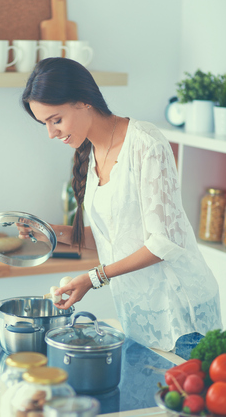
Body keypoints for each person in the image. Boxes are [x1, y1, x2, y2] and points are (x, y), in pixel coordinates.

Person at [19, 57, 222, 359]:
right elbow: (114, 238)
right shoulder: (89, 151)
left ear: (83, 102)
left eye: (56, 120)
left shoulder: (145, 143)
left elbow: (162, 242)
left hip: (180, 313)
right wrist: (51, 232)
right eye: (44, 124)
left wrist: (94, 277)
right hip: (139, 313)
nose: (51, 133)